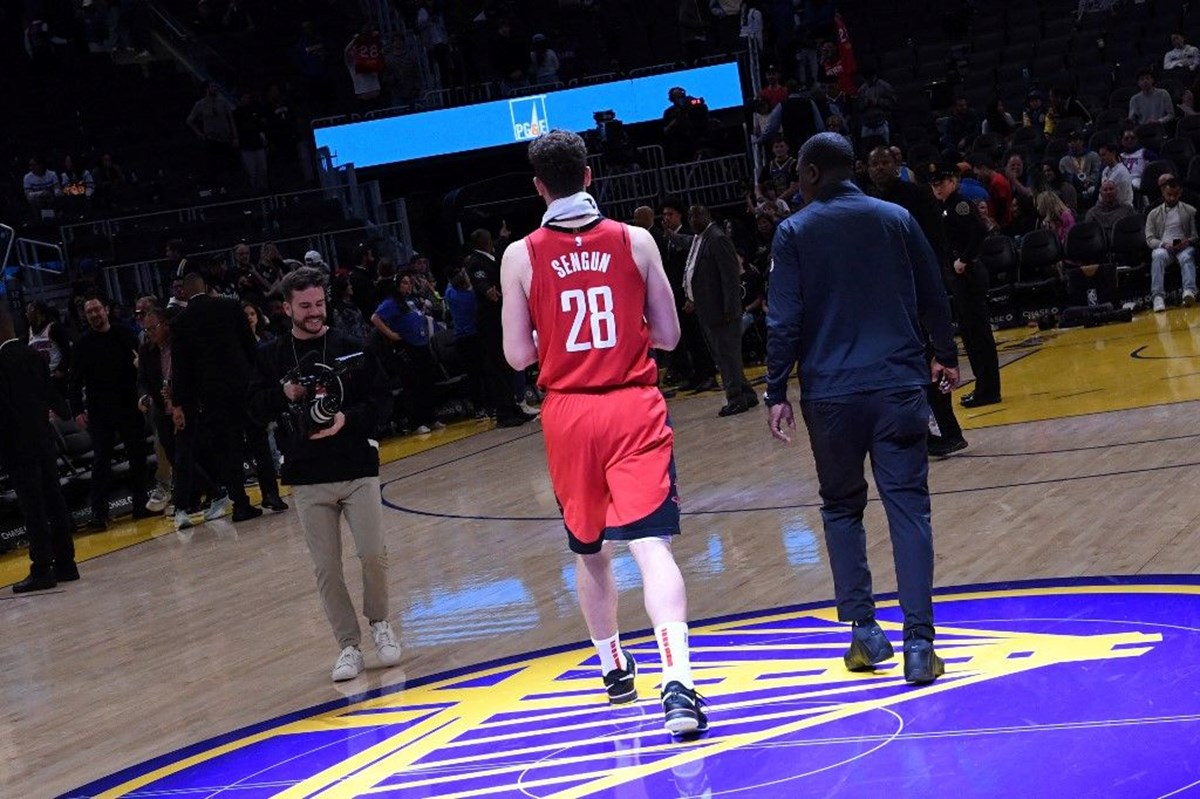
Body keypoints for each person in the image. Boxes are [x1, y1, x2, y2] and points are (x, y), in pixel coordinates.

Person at [500, 129, 706, 735]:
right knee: (651, 547)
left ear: (539, 187)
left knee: (590, 551)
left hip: (568, 414)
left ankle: (614, 666)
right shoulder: (635, 240)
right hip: (631, 405)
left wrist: (555, 336)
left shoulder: (519, 255)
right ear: (589, 176)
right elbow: (669, 336)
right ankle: (678, 684)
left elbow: (517, 356)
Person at [765, 133, 960, 685]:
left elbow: (783, 321)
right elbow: (933, 291)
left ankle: (865, 633)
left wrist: (775, 390)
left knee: (841, 508)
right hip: (898, 386)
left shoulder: (793, 232)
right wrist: (945, 353)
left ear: (809, 173)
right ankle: (919, 644)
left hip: (830, 396)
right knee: (909, 508)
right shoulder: (896, 218)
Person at [249, 267, 400, 682]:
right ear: (286, 308)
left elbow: (383, 401)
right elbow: (253, 409)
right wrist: (281, 394)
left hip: (356, 467)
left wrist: (347, 420)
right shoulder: (271, 356)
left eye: (319, 303)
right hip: (307, 476)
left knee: (373, 553)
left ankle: (380, 623)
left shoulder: (354, 347)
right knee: (327, 568)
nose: (314, 312)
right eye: (305, 306)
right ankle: (348, 645)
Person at [867, 147, 967, 457]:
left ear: (897, 164)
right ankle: (924, 431)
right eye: (874, 163)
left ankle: (948, 431)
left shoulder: (916, 195)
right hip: (890, 294)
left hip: (919, 289)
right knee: (906, 366)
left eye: (885, 162)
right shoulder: (870, 201)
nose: (879, 168)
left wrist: (933, 278)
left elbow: (935, 241)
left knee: (931, 361)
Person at [171, 272, 273, 523]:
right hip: (244, 386)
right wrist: (259, 379)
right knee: (259, 440)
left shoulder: (180, 322)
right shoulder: (230, 306)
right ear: (206, 286)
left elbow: (182, 369)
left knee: (229, 450)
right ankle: (271, 494)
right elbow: (250, 346)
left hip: (212, 396)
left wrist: (181, 403)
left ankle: (240, 505)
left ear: (185, 292)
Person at [0, 309, 77, 593]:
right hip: (44, 440)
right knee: (54, 501)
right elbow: (52, 395)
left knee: (33, 507)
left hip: (18, 446)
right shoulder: (33, 355)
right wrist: (65, 412)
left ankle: (42, 568)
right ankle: (66, 563)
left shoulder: (1, 363)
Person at [68, 295, 153, 530]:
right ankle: (99, 514)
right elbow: (74, 381)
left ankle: (140, 504)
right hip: (100, 410)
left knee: (138, 456)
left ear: (105, 310)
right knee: (101, 461)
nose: (94, 315)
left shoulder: (124, 333)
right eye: (89, 312)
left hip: (129, 405)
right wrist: (77, 410)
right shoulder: (83, 344)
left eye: (97, 309)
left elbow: (141, 363)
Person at [928, 163, 1002, 408]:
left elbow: (979, 231)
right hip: (959, 276)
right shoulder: (945, 207)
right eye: (934, 185)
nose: (937, 188)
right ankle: (983, 386)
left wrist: (965, 258)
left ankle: (988, 390)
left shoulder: (960, 204)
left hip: (969, 274)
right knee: (970, 335)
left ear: (952, 181)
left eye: (941, 183)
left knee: (978, 334)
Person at [682, 205, 759, 416]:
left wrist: (731, 308)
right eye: (690, 216)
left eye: (697, 215)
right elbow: (686, 245)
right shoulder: (699, 239)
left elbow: (730, 276)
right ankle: (747, 394)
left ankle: (735, 399)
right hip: (709, 309)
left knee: (726, 357)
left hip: (722, 310)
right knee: (725, 355)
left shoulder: (717, 238)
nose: (693, 219)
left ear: (707, 216)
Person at [1146, 172, 1199, 312]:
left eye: (1175, 195)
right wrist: (1163, 244)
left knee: (1186, 257)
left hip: (1184, 246)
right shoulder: (1153, 214)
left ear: (1180, 193)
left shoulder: (1190, 211)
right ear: (1163, 192)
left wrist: (1187, 242)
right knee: (1157, 256)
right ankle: (1158, 297)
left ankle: (1189, 290)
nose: (1172, 198)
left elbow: (1195, 235)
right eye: (1169, 194)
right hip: (1165, 246)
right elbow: (1150, 238)